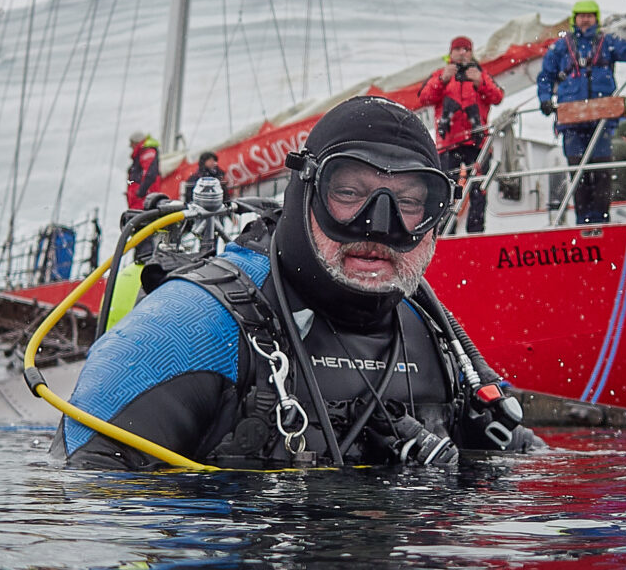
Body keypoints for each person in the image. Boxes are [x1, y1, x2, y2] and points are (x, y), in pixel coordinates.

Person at [62, 98, 530, 470]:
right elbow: (89, 518)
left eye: (408, 203)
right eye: (348, 194)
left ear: (435, 218)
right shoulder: (189, 327)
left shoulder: (437, 338)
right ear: (303, 191)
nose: (378, 226)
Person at [535, 1, 626, 225]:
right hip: (572, 120)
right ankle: (583, 220)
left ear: (596, 18)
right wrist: (545, 100)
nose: (585, 20)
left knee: (602, 170)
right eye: (581, 16)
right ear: (574, 19)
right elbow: (545, 76)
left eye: (589, 16)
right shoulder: (561, 47)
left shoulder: (607, 42)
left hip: (602, 118)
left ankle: (600, 219)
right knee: (578, 171)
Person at [416, 36, 504, 233]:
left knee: (479, 190)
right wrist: (442, 80)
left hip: (476, 143)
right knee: (446, 191)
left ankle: (476, 231)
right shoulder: (441, 75)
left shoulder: (481, 75)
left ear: (472, 53)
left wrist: (480, 82)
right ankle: (446, 232)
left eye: (466, 49)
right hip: (449, 144)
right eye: (458, 49)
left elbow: (497, 97)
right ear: (450, 53)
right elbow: (424, 98)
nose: (462, 53)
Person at [124, 132, 161, 210]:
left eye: (132, 144)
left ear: (136, 143)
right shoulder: (142, 154)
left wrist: (140, 192)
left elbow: (150, 175)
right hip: (139, 202)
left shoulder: (147, 152)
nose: (131, 146)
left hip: (142, 202)